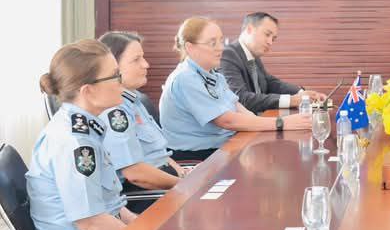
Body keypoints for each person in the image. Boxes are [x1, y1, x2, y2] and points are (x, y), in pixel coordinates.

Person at [27, 40, 137, 230]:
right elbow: (91, 223)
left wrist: (143, 228)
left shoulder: (85, 128)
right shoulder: (75, 142)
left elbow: (109, 205)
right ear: (88, 91)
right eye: (114, 75)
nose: (120, 81)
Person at [159, 17, 311, 161]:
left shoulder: (214, 75)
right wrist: (281, 123)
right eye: (212, 43)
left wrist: (273, 124)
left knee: (274, 151)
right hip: (199, 155)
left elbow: (238, 106)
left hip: (224, 145)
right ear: (190, 47)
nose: (220, 48)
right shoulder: (185, 78)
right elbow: (227, 121)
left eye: (221, 41)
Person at [97, 32, 186, 202]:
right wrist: (186, 185)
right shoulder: (113, 110)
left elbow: (159, 154)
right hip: (145, 193)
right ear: (112, 67)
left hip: (166, 182)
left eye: (143, 58)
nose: (146, 64)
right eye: (136, 60)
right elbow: (136, 175)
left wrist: (183, 174)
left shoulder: (135, 101)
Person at [220, 12, 327, 113]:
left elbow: (270, 83)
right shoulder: (228, 55)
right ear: (249, 29)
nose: (270, 42)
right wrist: (292, 100)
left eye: (273, 39)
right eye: (267, 34)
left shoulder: (253, 56)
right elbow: (241, 99)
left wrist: (302, 94)